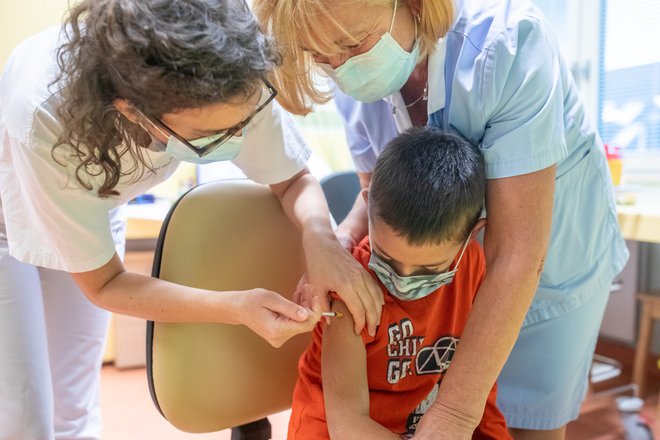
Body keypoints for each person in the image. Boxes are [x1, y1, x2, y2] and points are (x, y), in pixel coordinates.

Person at [0, 0, 383, 438]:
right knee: (23, 416)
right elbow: (105, 283)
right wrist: (235, 307)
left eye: (241, 123)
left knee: (75, 408)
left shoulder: (226, 71)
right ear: (131, 112)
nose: (236, 139)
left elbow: (293, 178)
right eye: (209, 137)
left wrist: (322, 243)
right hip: (6, 227)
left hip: (97, 203)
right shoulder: (43, 116)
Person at [255, 0, 630, 438]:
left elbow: (517, 253)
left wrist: (454, 413)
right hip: (449, 283)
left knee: (527, 421)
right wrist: (336, 245)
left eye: (353, 43)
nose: (342, 66)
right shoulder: (356, 92)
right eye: (321, 57)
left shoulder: (507, 46)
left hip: (546, 260)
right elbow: (378, 197)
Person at [289, 127, 510, 440]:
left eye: (429, 268)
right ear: (368, 209)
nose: (403, 279)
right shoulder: (349, 283)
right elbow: (346, 424)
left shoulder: (475, 267)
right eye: (388, 260)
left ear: (472, 235)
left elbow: (479, 394)